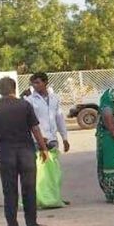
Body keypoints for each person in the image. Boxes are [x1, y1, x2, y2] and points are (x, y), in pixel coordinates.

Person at [0, 77, 50, 226]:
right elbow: (35, 129)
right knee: (29, 188)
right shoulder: (25, 105)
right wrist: (43, 149)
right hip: (26, 152)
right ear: (14, 88)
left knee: (9, 190)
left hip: (6, 153)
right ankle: (31, 224)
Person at [26, 72, 70, 209]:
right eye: (33, 83)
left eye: (38, 82)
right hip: (38, 140)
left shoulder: (55, 98)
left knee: (54, 172)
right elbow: (30, 123)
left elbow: (59, 118)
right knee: (41, 172)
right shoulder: (30, 101)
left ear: (46, 82)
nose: (35, 85)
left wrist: (65, 138)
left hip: (52, 139)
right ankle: (41, 199)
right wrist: (37, 139)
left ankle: (54, 197)